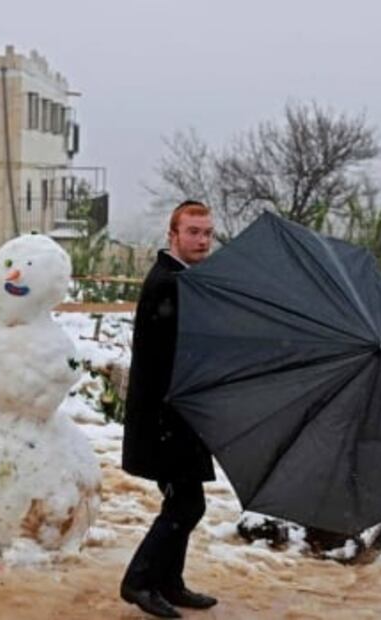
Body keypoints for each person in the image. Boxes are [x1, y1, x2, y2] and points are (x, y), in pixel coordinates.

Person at [120, 201, 219, 617]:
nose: (202, 240)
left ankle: (168, 582)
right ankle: (139, 581)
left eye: (207, 233)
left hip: (178, 415)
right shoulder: (169, 284)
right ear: (173, 235)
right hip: (166, 417)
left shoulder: (182, 280)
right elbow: (174, 356)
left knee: (184, 502)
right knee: (186, 504)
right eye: (193, 231)